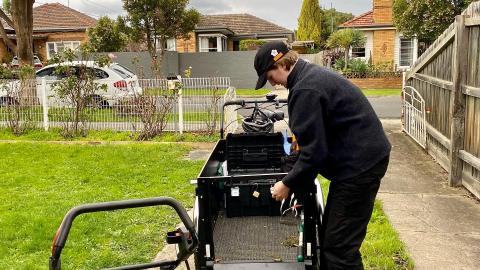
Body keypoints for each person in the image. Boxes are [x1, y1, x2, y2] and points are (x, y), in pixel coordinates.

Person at [254, 41, 391, 269]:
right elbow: (312, 140)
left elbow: (314, 153)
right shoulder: (308, 77)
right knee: (331, 238)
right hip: (357, 161)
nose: (272, 83)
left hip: (359, 168)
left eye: (269, 76)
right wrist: (289, 165)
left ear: (281, 65)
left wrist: (287, 183)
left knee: (339, 250)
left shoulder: (305, 89)